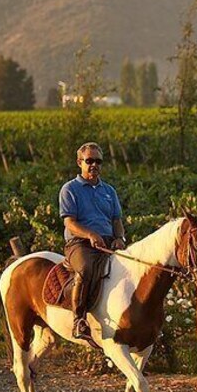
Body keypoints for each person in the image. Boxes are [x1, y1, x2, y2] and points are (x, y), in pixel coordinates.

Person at [58, 142, 126, 349]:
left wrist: (120, 238)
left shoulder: (109, 191)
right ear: (80, 163)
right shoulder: (70, 189)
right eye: (89, 161)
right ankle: (79, 320)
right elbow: (69, 222)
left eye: (98, 161)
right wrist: (90, 234)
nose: (94, 165)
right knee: (86, 269)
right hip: (79, 243)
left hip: (106, 241)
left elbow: (117, 220)